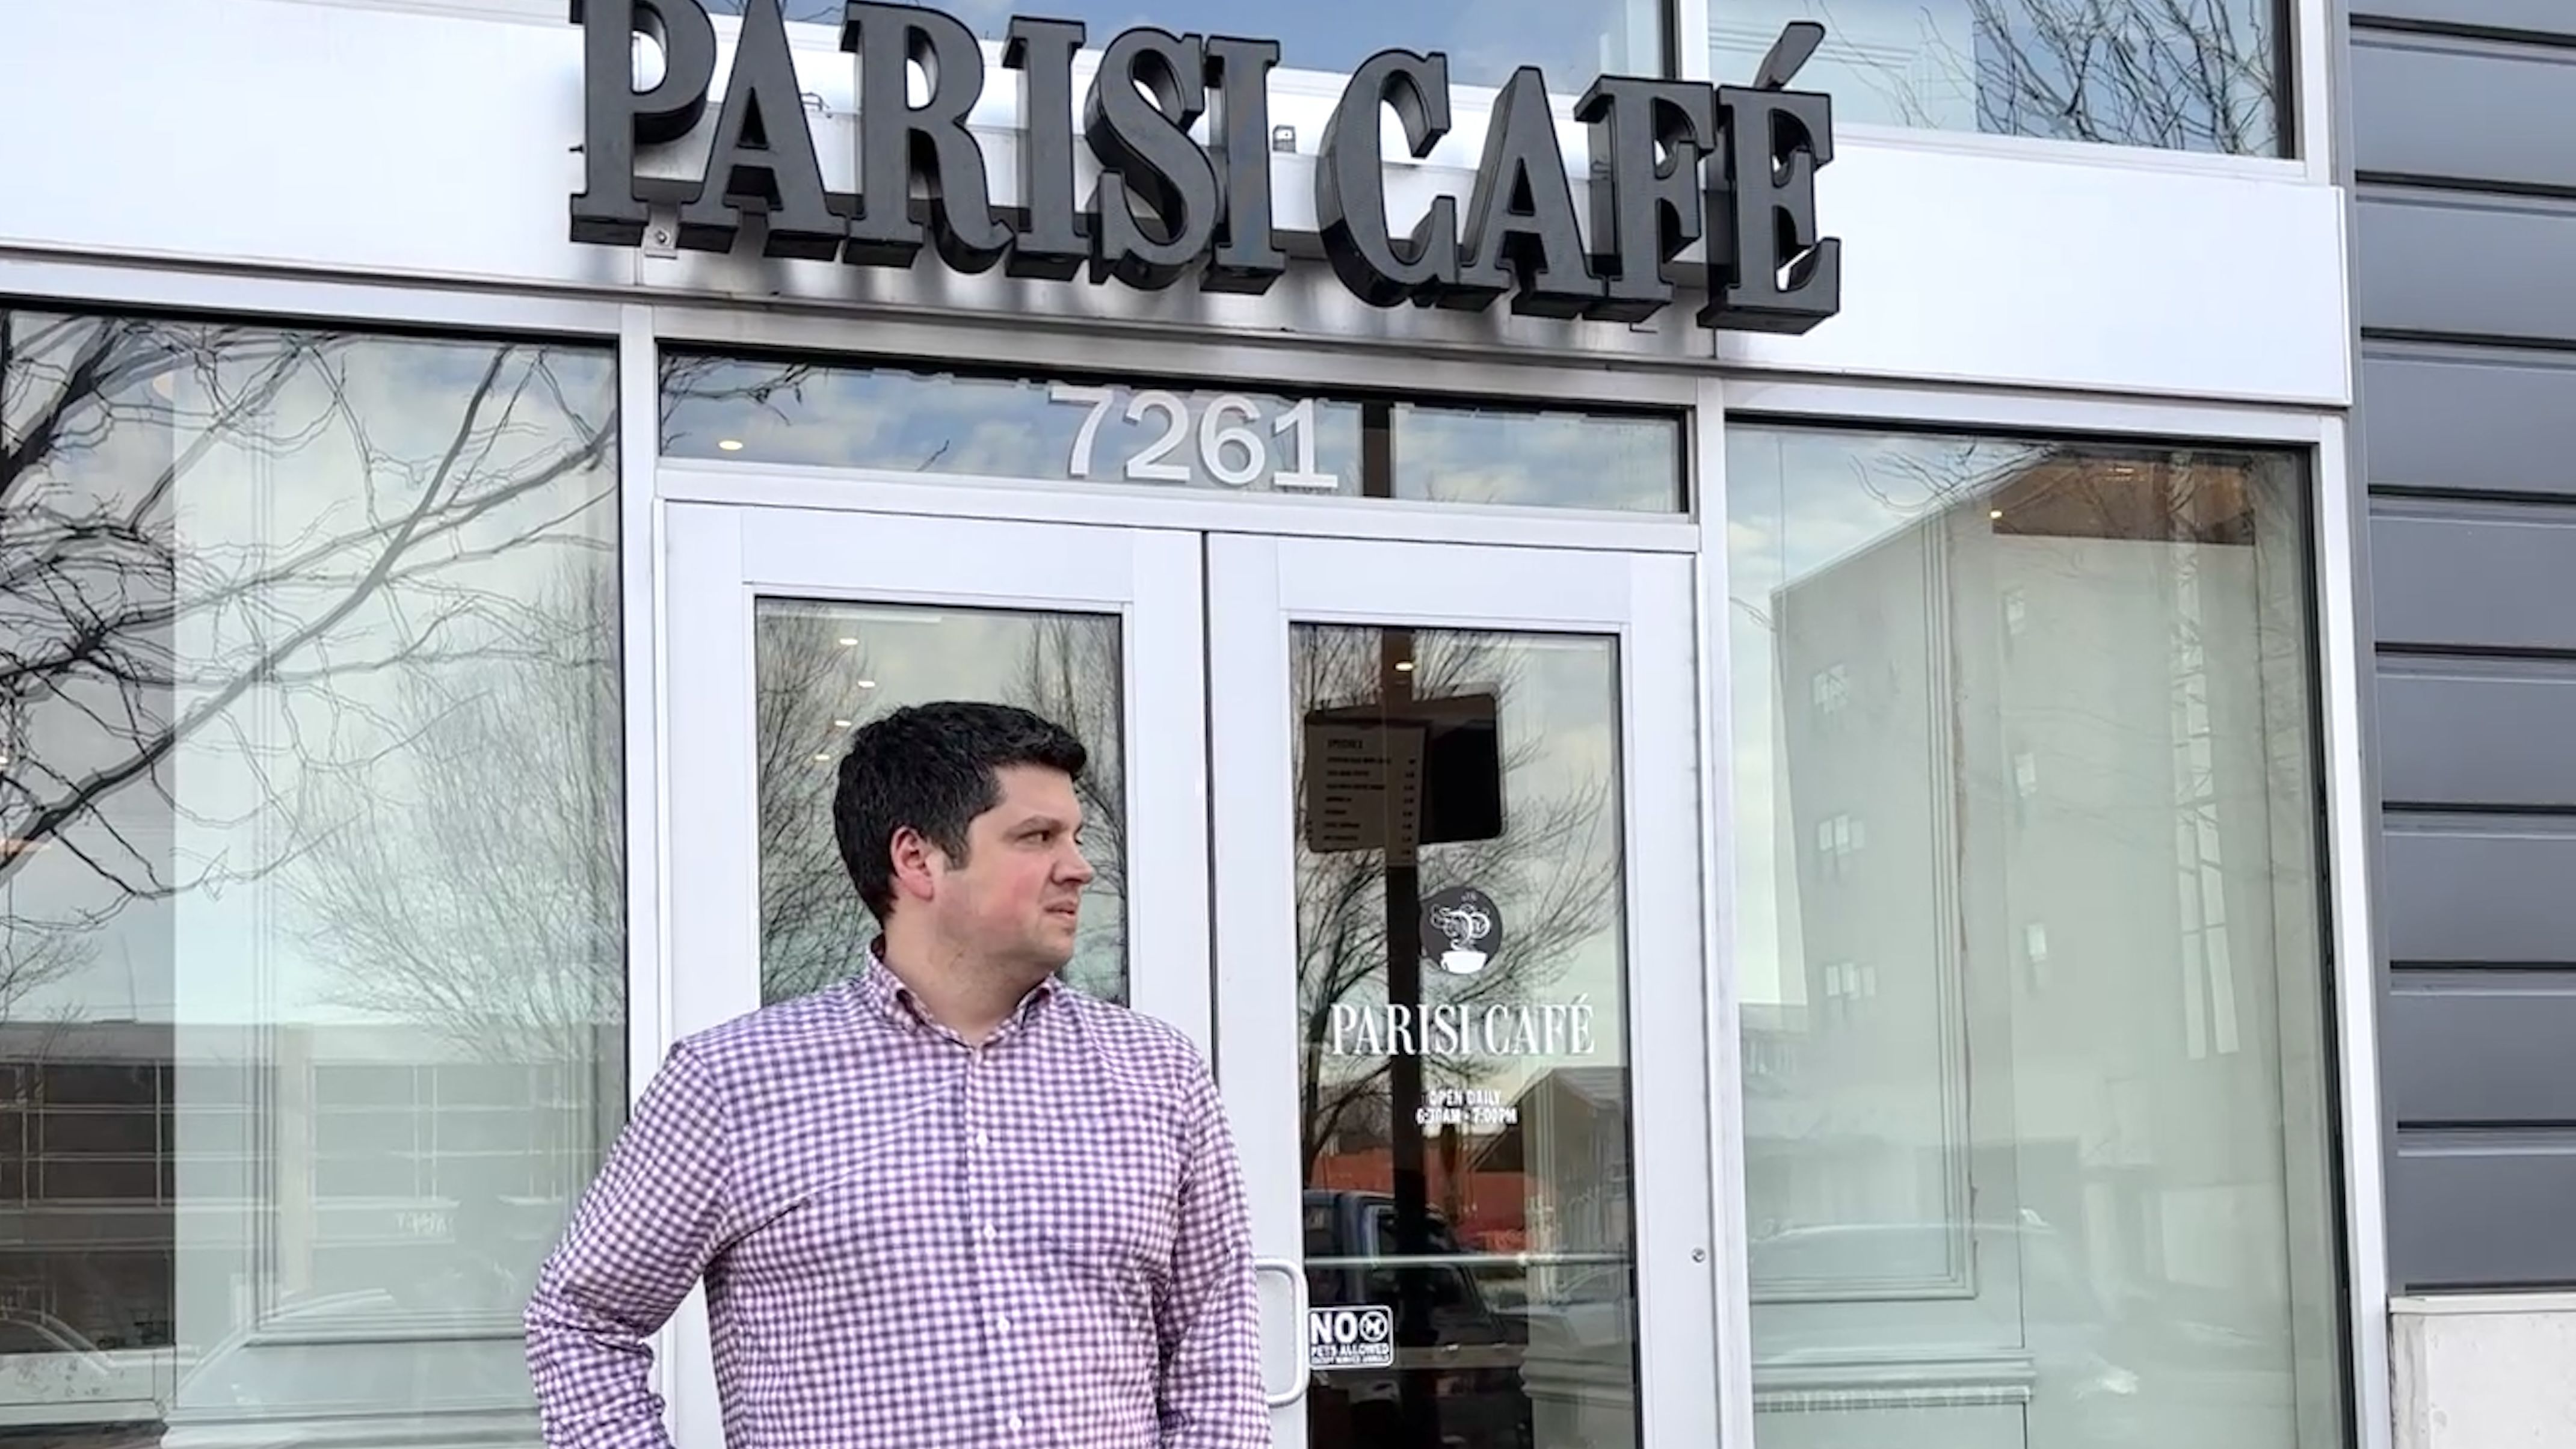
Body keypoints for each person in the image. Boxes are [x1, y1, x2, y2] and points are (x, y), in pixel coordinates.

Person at [524, 701, 1270, 1448]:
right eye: (1036, 837)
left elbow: (1216, 1348)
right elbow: (584, 1317)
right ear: (917, 860)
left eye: (1074, 836)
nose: (1078, 866)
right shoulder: (734, 1085)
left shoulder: (1155, 1074)